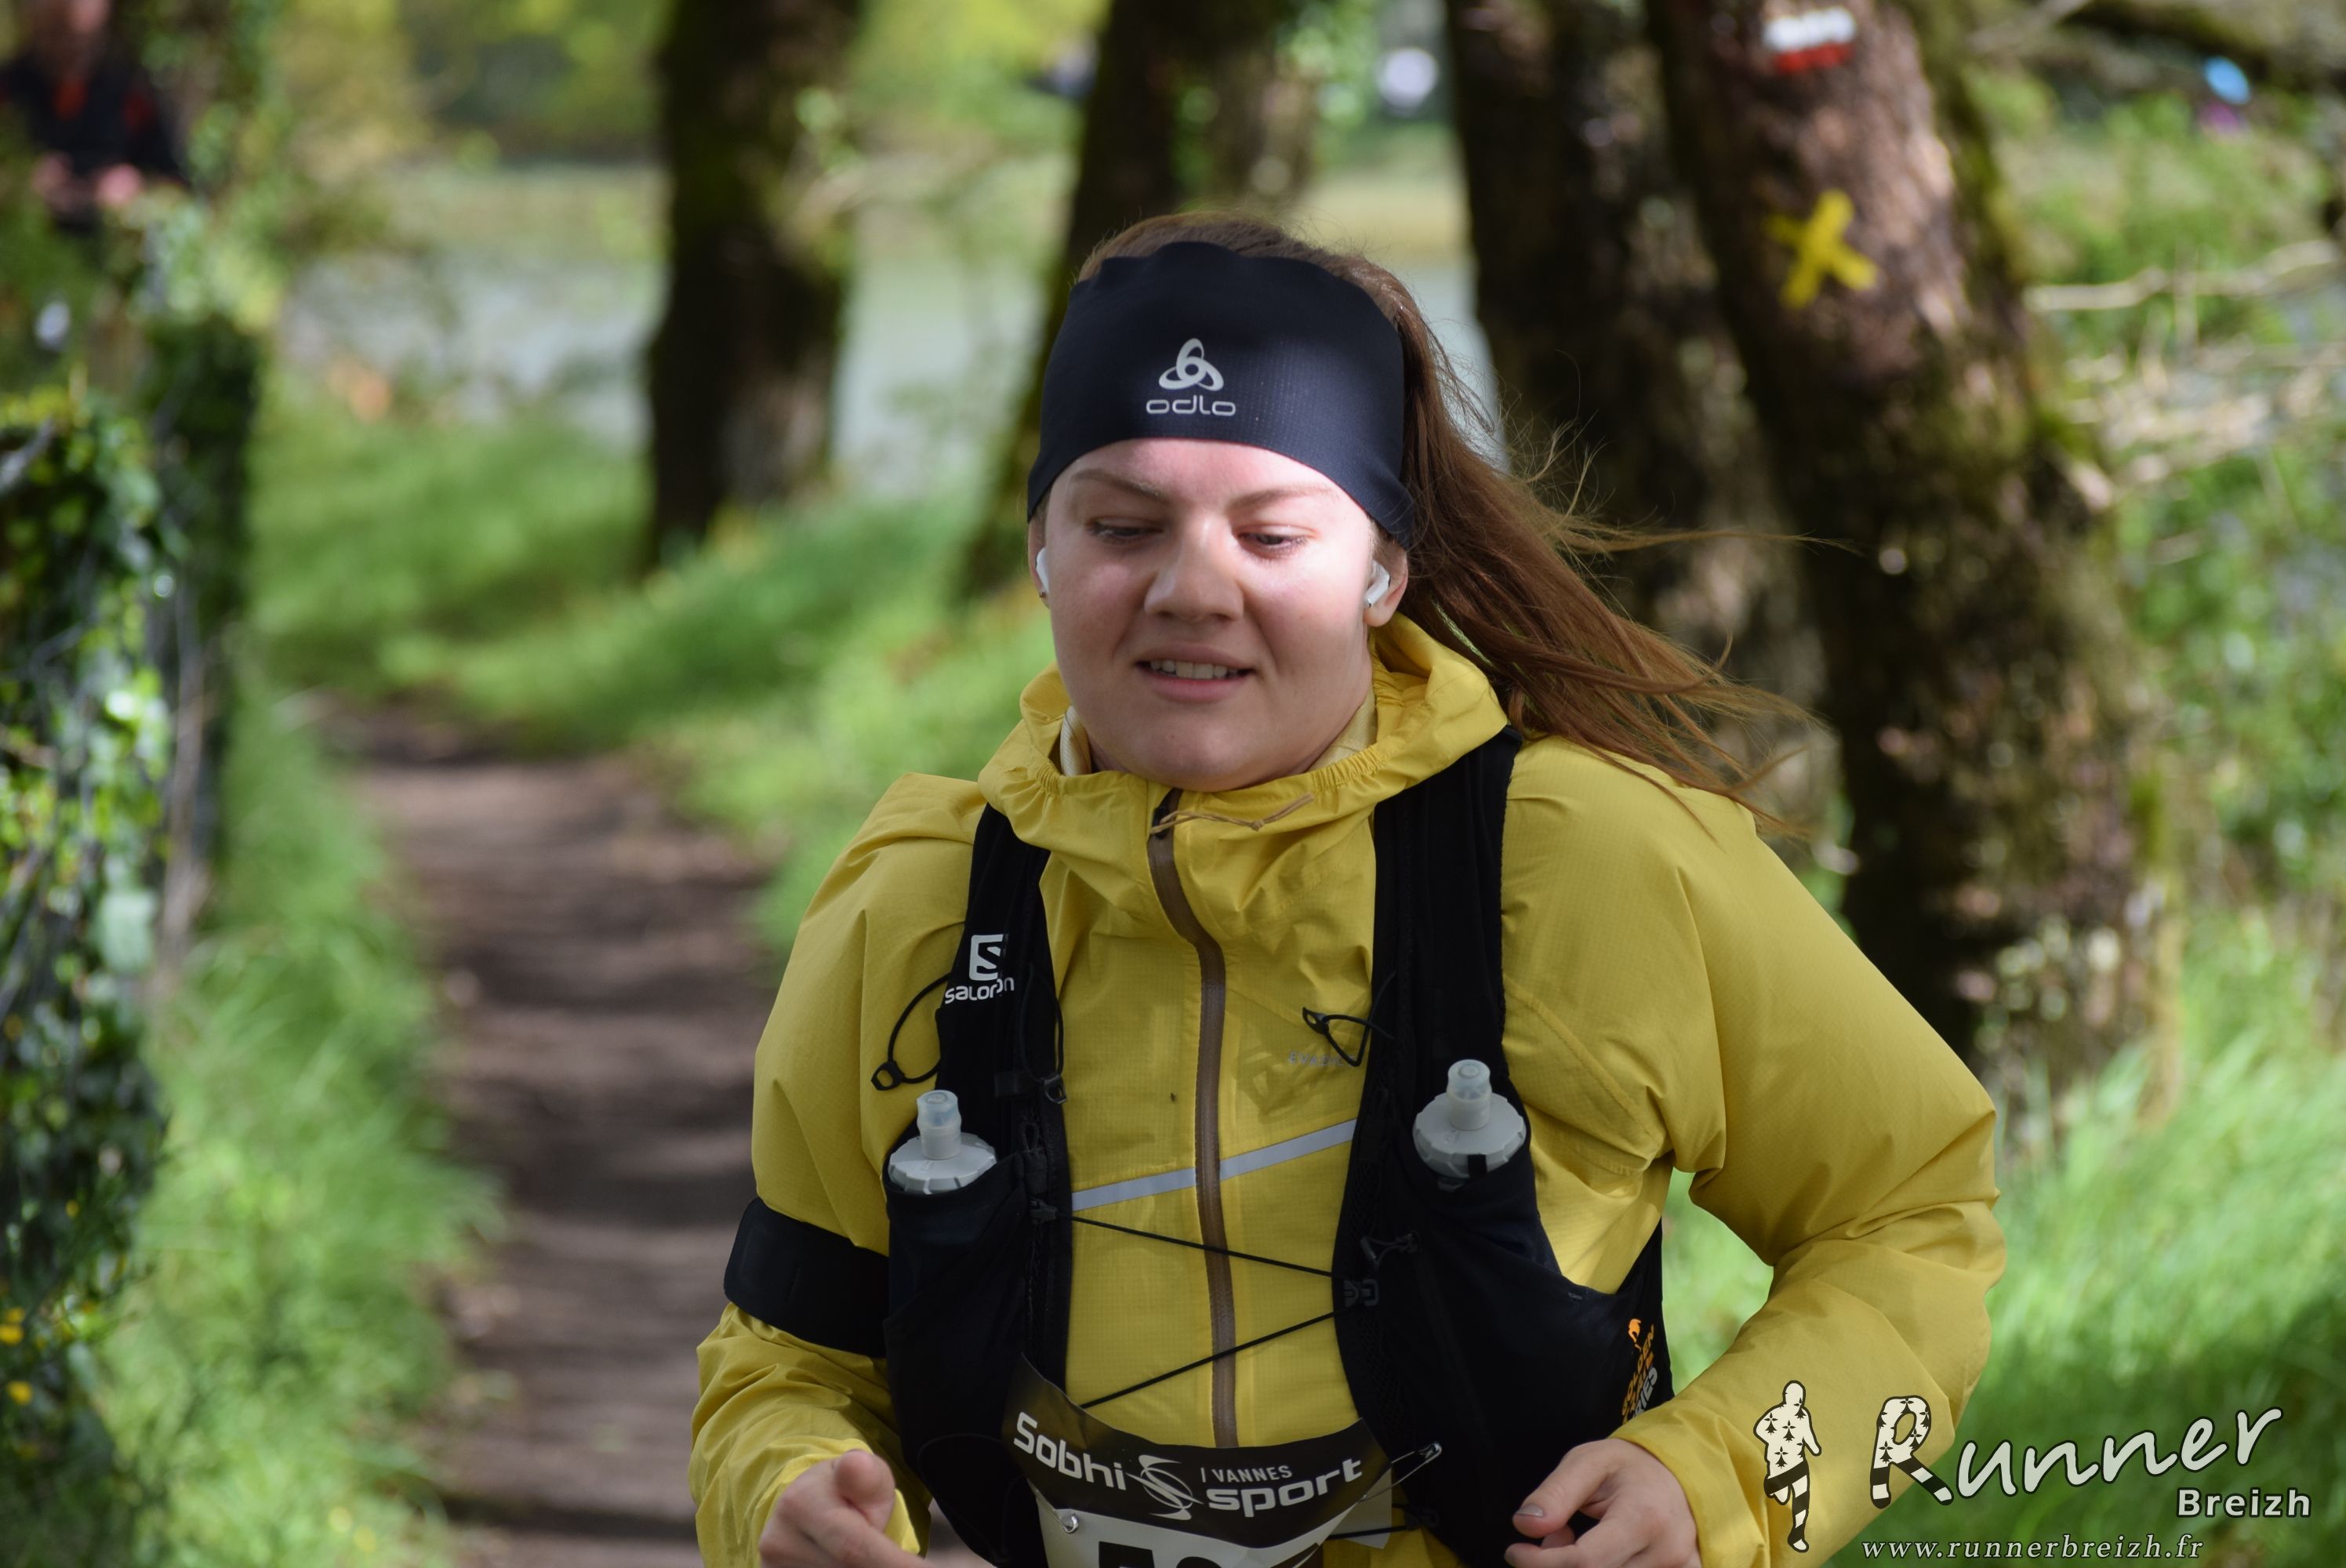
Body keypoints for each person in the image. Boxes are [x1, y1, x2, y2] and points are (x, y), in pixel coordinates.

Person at [691, 212, 2005, 1568]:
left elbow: (1909, 1221)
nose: (1191, 590)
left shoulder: (1599, 861)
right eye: (1123, 526)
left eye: (1270, 536)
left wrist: (1716, 1485)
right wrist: (784, 1484)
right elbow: (788, 1355)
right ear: (1040, 550)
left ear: (1382, 568)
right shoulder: (919, 907)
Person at [2, 0, 189, 235]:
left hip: (107, 243)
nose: (68, 50)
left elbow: (179, 189)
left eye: (80, 39)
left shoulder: (131, 90)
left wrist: (136, 189)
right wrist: (19, 182)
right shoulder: (10, 89)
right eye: (56, 35)